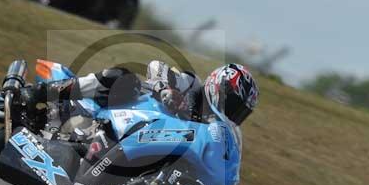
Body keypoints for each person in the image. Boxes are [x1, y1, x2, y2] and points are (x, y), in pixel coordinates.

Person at [21, 60, 259, 129]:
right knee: (124, 78)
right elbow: (156, 66)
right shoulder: (191, 84)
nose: (233, 114)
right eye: (233, 105)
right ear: (218, 87)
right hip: (122, 108)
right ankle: (41, 92)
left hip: (138, 136)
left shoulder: (209, 130)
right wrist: (166, 90)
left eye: (240, 112)